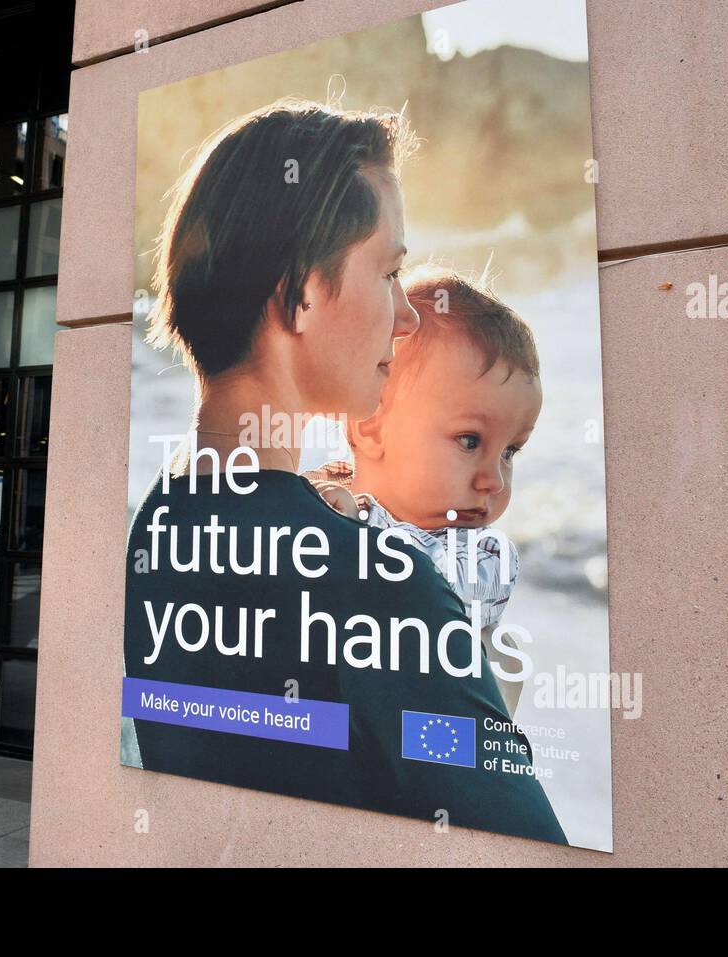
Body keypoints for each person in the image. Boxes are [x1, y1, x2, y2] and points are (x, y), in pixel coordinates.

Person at [123, 99, 566, 843]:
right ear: (299, 292)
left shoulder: (161, 526)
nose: (409, 314)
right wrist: (492, 702)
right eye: (389, 271)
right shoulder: (379, 584)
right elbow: (525, 845)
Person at [305, 266, 543, 717]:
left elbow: (420, 587)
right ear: (372, 426)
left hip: (440, 745)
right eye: (470, 441)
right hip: (355, 726)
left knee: (503, 658)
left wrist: (356, 526)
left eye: (510, 451)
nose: (494, 479)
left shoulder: (484, 555)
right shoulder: (332, 492)